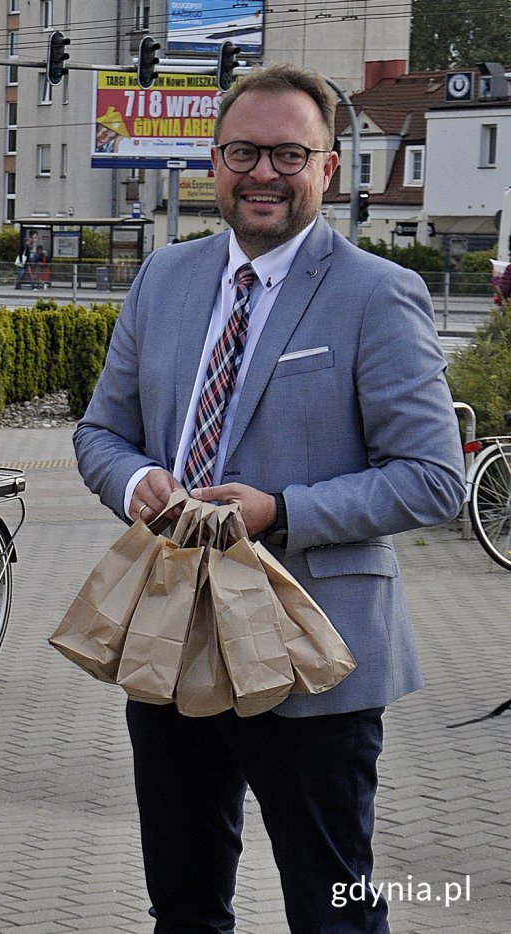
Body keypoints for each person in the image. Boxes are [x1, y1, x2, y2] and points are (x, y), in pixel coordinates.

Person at [72, 63, 463, 933]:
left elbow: (432, 477)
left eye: (291, 154)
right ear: (213, 162)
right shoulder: (164, 280)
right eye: (245, 151)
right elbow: (101, 434)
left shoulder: (376, 294)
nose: (264, 173)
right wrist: (140, 485)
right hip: (171, 639)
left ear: (330, 168)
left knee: (332, 912)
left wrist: (278, 511)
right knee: (182, 905)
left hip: (312, 651)